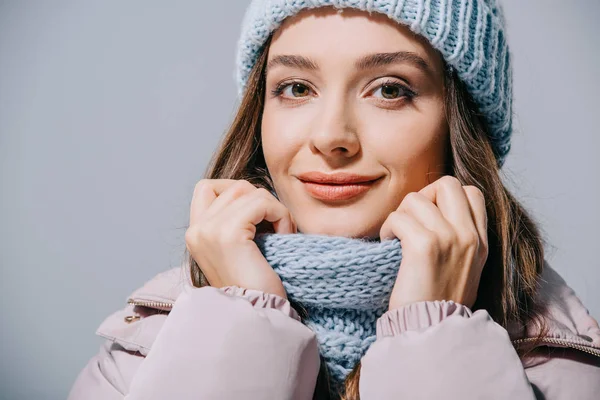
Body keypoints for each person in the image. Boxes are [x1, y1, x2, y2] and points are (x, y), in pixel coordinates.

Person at [68, 1, 600, 399]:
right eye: (297, 88)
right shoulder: (143, 347)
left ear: (459, 125)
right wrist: (242, 317)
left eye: (390, 88)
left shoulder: (559, 363)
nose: (331, 136)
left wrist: (434, 334)